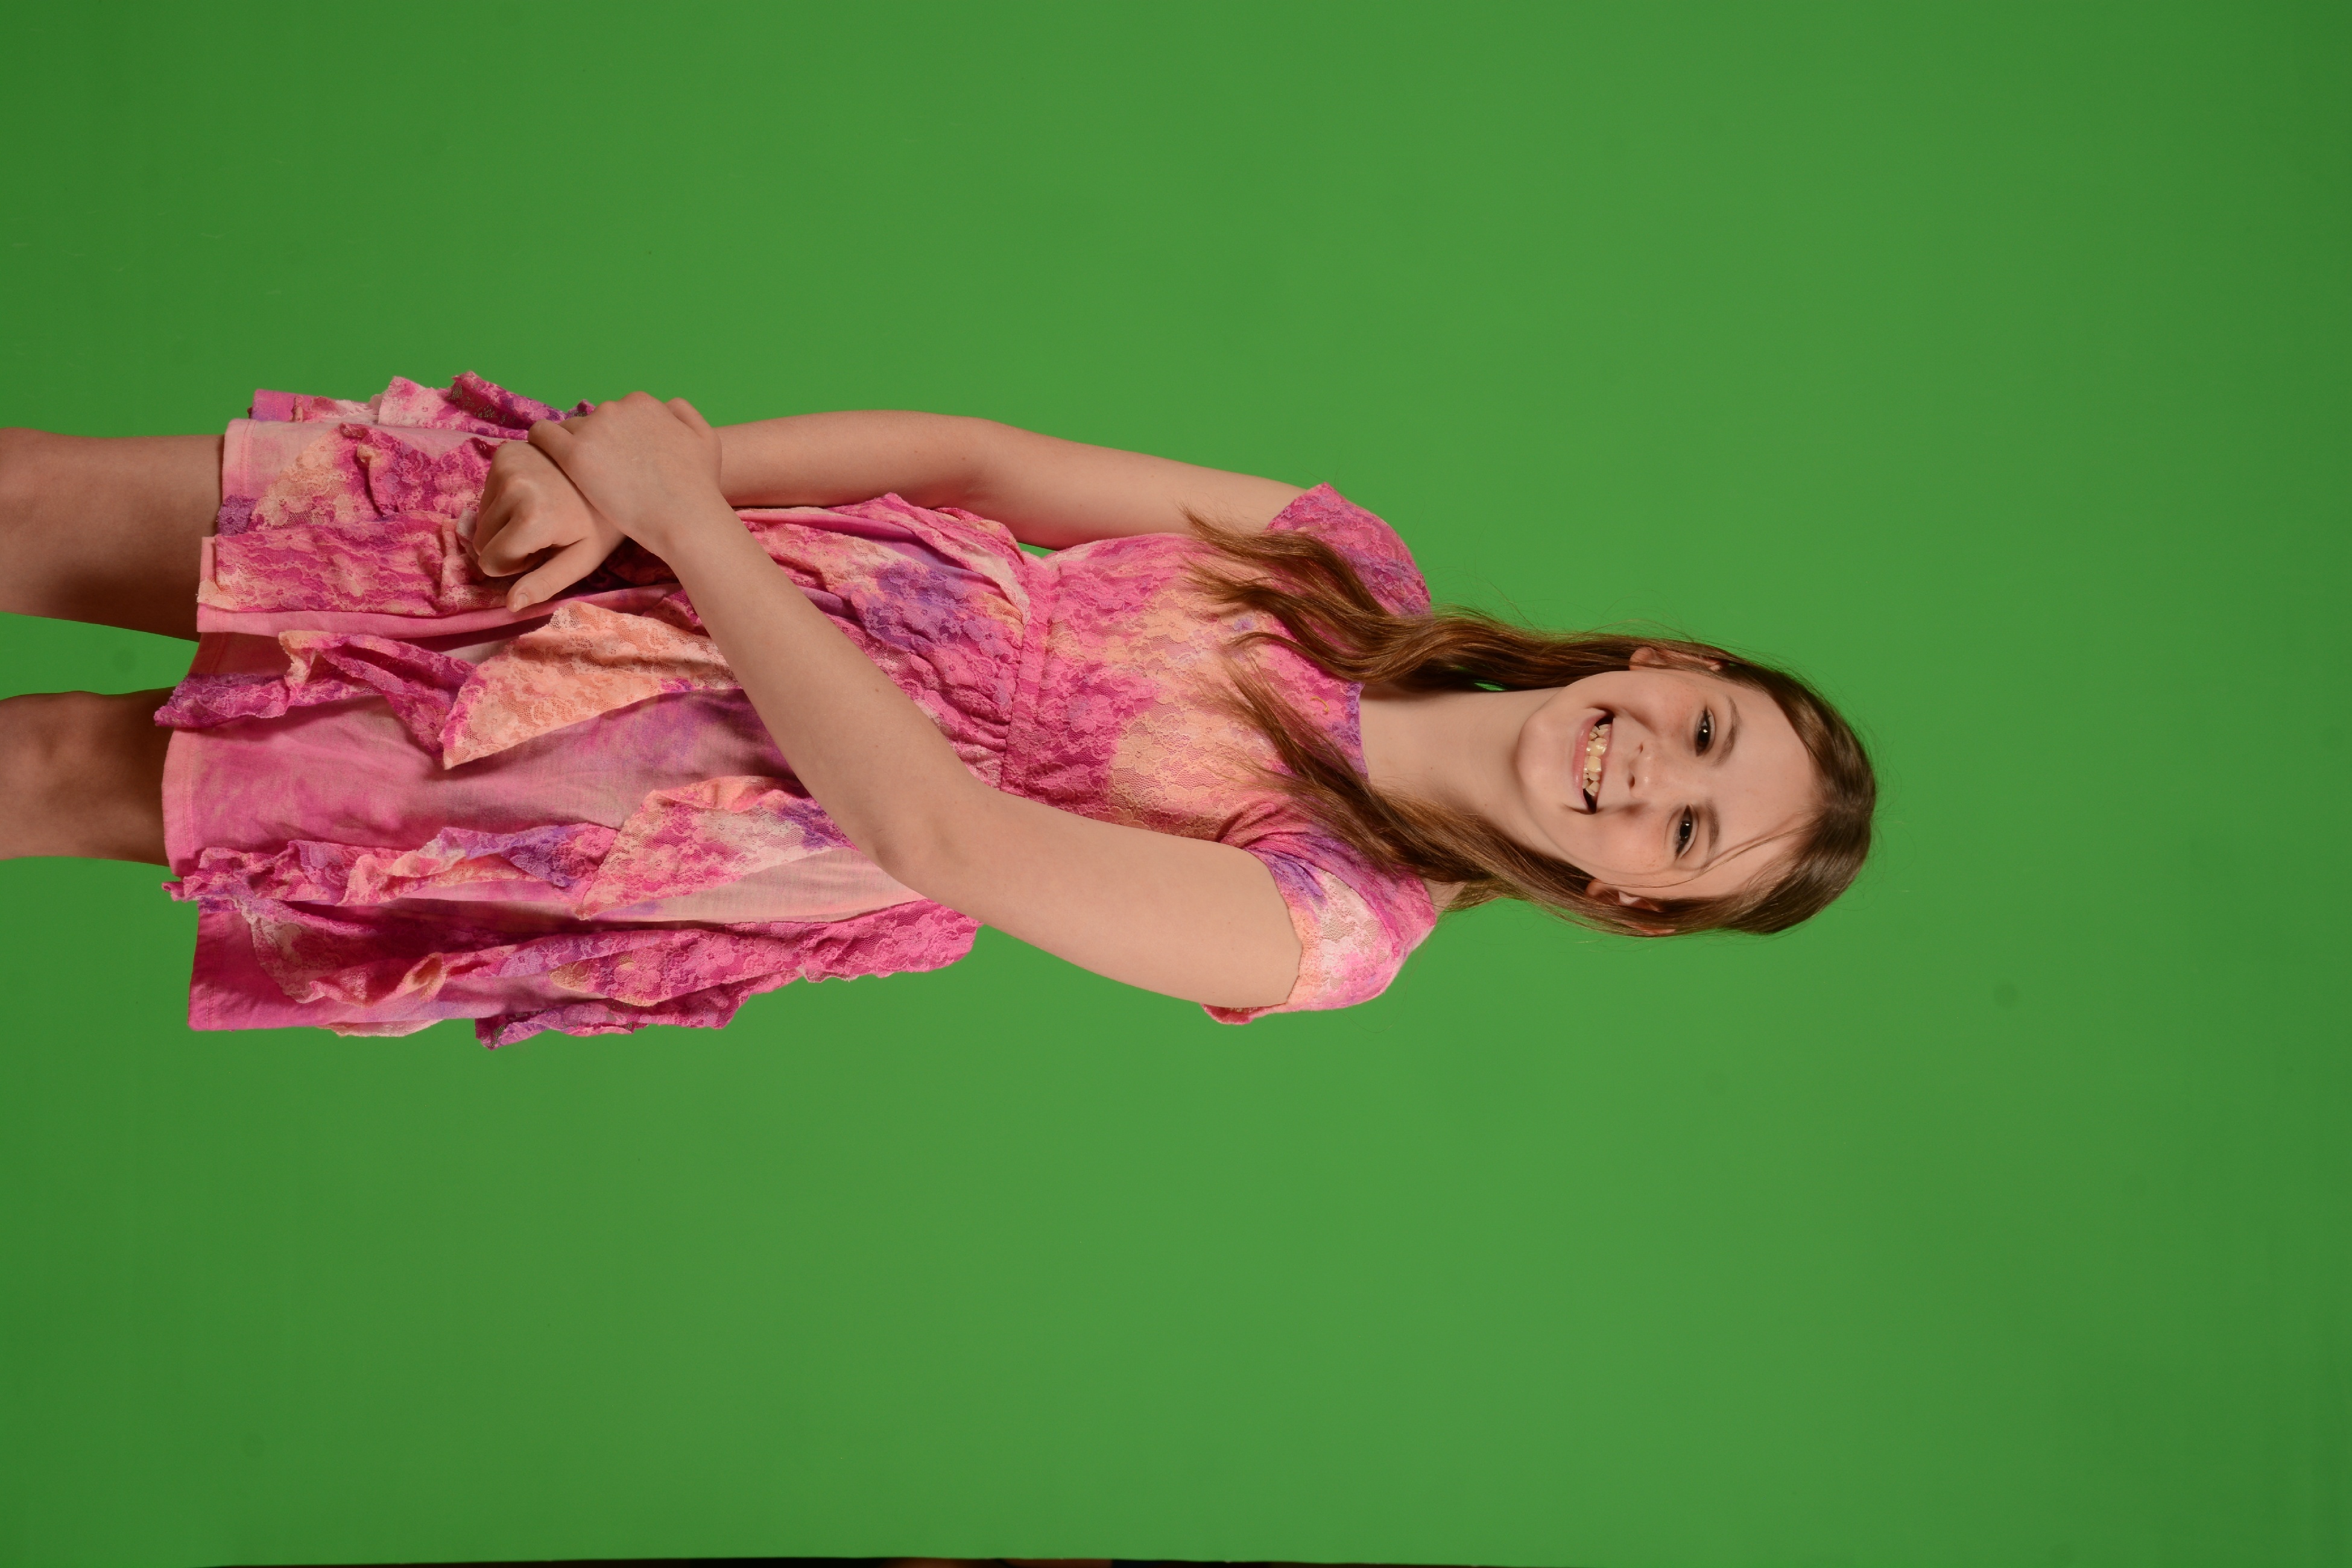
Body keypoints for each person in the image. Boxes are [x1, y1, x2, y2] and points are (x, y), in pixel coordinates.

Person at [0, 375, 1874, 1045]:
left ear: (1634, 900)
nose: (1650, 775)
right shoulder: (1344, 562)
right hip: (665, 547)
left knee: (48, 764)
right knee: (32, 502)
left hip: (650, 778)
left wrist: (682, 528)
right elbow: (979, 463)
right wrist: (636, 482)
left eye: (1684, 836)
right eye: (1704, 736)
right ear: (1673, 671)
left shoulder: (1333, 926)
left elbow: (943, 839)